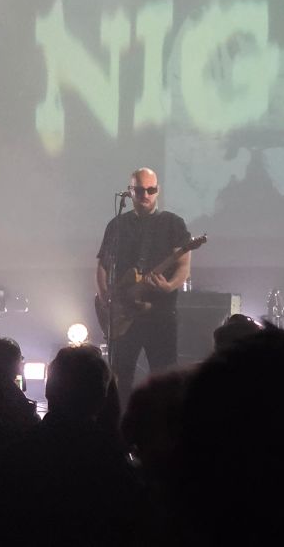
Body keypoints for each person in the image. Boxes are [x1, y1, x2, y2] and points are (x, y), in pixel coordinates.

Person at [96, 167, 192, 401]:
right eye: (140, 191)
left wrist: (169, 286)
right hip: (124, 316)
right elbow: (102, 267)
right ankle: (119, 428)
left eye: (151, 190)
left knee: (164, 378)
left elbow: (183, 266)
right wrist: (106, 297)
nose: (146, 195)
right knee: (119, 379)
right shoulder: (117, 225)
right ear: (130, 193)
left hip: (160, 314)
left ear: (158, 191)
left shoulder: (172, 223)